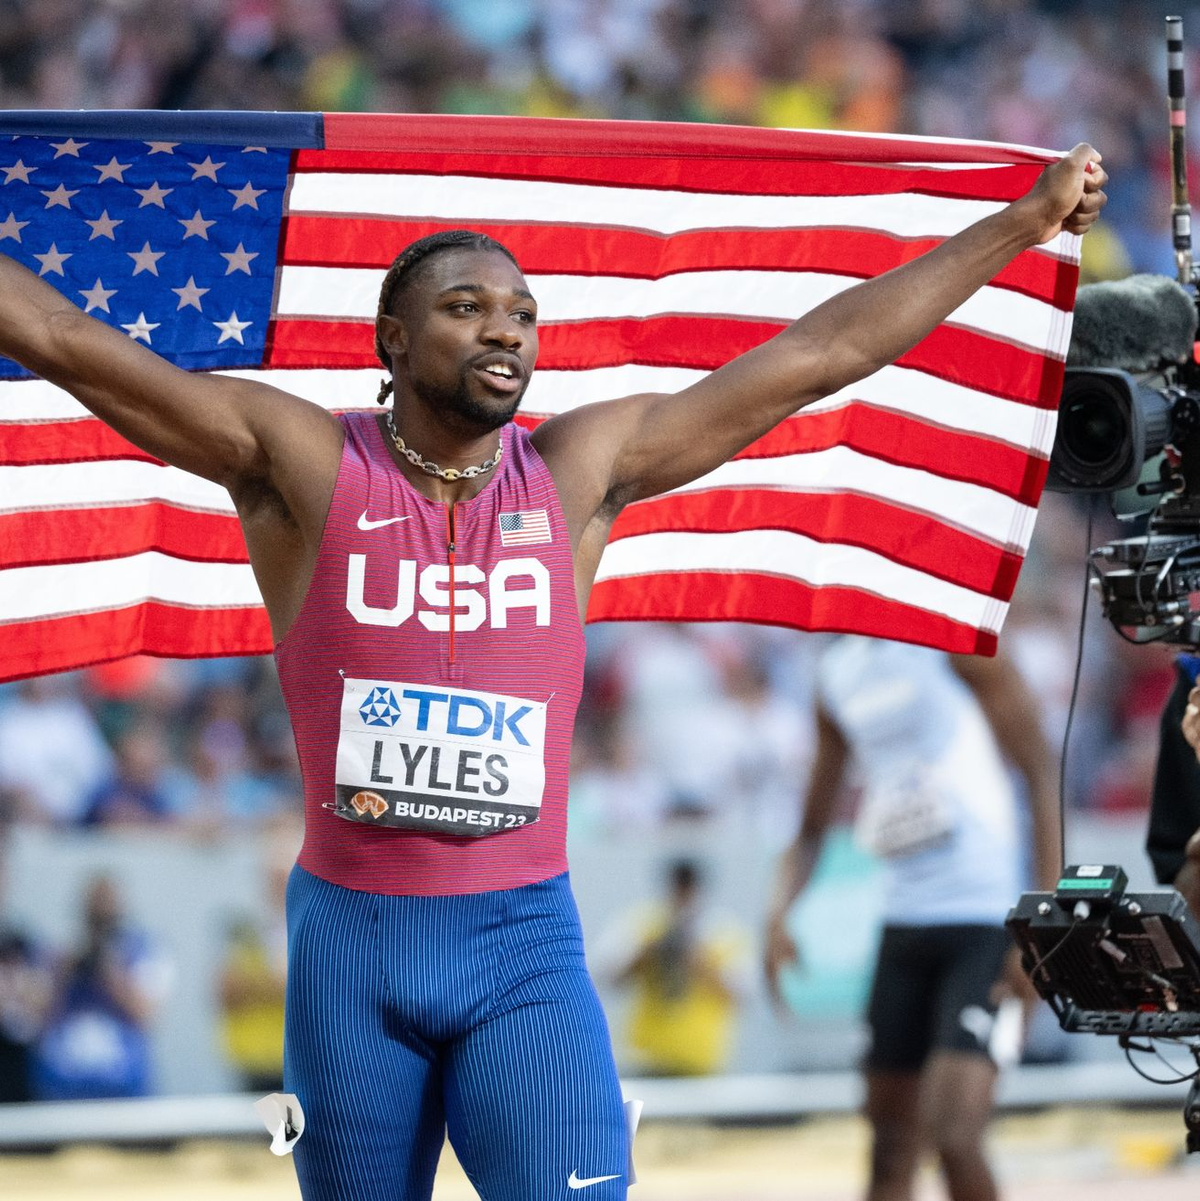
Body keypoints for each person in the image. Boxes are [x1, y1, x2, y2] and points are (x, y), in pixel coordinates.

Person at [0, 144, 1104, 1200]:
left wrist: (1021, 221)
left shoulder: (577, 472)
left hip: (522, 942)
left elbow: (822, 355)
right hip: (350, 947)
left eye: (524, 313)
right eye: (467, 306)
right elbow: (70, 341)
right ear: (390, 335)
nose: (507, 330)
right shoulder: (301, 461)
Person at [763, 637, 1060, 1201]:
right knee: (889, 1146)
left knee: (954, 1133)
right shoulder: (836, 673)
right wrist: (779, 914)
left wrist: (1040, 927)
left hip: (985, 919)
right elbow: (809, 827)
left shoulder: (959, 644)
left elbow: (1043, 773)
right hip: (902, 920)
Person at [601, 859, 749, 1077]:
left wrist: (700, 964)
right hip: (645, 1055)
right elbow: (608, 976)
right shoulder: (644, 925)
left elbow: (740, 994)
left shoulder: (722, 933)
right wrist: (645, 955)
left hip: (700, 1060)